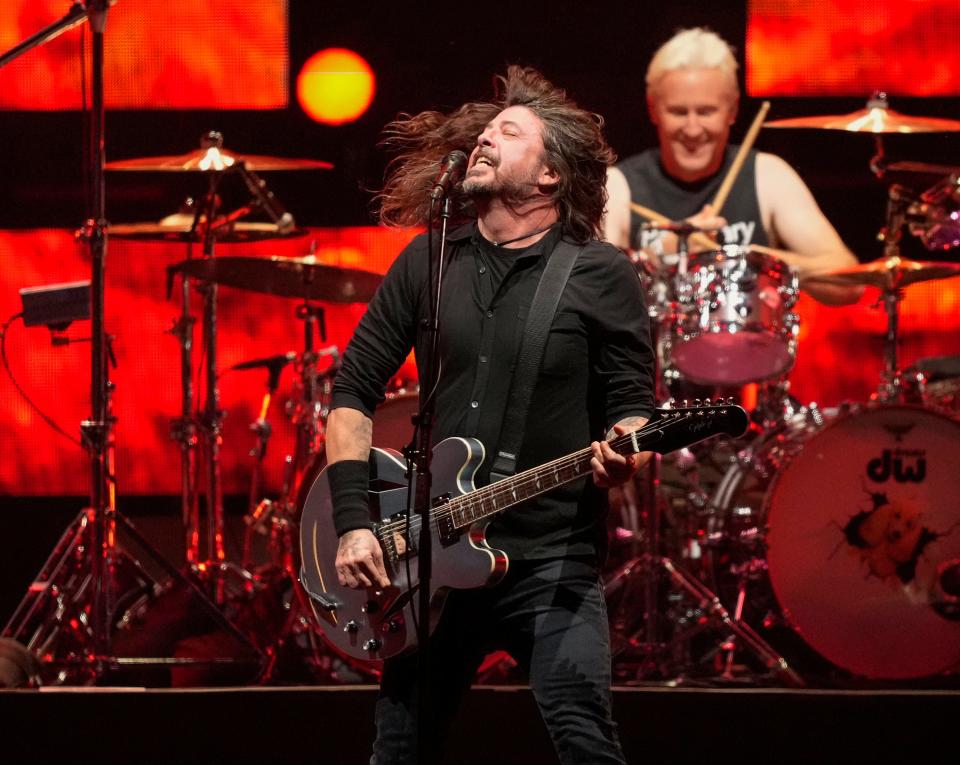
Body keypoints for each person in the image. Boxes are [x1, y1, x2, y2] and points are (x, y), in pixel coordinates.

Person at [324, 66, 655, 763]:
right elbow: (352, 390)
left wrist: (627, 448)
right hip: (432, 565)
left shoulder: (599, 273)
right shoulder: (429, 261)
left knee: (586, 743)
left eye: (509, 131)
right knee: (399, 751)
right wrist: (355, 525)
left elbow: (634, 412)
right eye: (484, 129)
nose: (484, 138)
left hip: (551, 561)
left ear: (550, 178)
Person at [604, 27, 862, 306]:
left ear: (733, 110)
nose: (692, 129)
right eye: (678, 112)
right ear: (653, 109)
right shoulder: (618, 184)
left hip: (753, 347)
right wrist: (671, 249)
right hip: (649, 349)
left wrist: (757, 260)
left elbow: (849, 285)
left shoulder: (768, 175)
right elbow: (592, 284)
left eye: (706, 112)